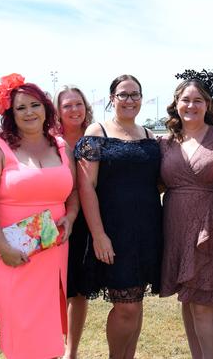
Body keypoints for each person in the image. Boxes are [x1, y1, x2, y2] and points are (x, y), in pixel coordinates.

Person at [0, 73, 79, 359]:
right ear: (11, 114)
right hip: (10, 251)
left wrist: (70, 216)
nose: (29, 112)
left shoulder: (61, 147)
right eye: (21, 107)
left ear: (46, 108)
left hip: (53, 248)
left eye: (35, 105)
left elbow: (73, 193)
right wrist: (4, 248)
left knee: (48, 322)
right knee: (20, 324)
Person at [75, 74, 162, 359]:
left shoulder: (149, 136)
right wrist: (99, 235)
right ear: (112, 98)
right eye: (123, 94)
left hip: (148, 230)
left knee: (136, 304)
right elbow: (86, 186)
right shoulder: (97, 131)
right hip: (113, 231)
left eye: (135, 94)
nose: (130, 100)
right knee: (126, 306)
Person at [159, 70, 213, 359]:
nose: (190, 105)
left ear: (208, 105)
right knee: (188, 301)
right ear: (176, 104)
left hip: (211, 226)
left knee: (204, 304)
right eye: (185, 100)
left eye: (197, 100)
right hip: (176, 227)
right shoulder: (166, 143)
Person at [53, 85, 93, 359]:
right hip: (58, 220)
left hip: (89, 220)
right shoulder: (48, 139)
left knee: (78, 291)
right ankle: (52, 344)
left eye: (78, 104)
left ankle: (72, 351)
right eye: (67, 105)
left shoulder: (96, 135)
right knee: (55, 289)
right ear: (57, 111)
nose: (74, 110)